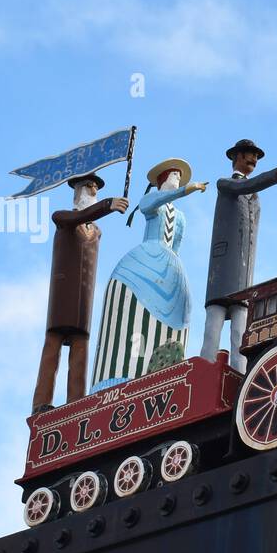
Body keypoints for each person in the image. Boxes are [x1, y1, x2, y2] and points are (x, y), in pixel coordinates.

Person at [90, 158, 208, 391]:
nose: (176, 179)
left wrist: (173, 270)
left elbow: (176, 244)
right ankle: (119, 380)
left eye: (179, 177)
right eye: (173, 175)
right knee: (132, 329)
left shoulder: (181, 217)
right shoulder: (151, 201)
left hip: (169, 267)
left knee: (170, 329)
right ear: (162, 179)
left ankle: (163, 380)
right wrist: (186, 190)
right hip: (141, 263)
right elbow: (148, 205)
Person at [31, 174, 128, 414]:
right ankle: (41, 403)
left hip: (83, 300)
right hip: (63, 296)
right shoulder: (63, 217)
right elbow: (79, 216)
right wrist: (107, 205)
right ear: (77, 192)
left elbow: (87, 219)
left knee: (80, 352)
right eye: (88, 188)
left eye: (95, 189)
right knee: (52, 349)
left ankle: (76, 403)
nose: (93, 192)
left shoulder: (95, 231)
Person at [200, 139, 277, 371]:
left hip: (244, 274)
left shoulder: (255, 197)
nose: (253, 159)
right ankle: (204, 373)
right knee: (213, 330)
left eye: (256, 156)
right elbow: (244, 187)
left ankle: (238, 376)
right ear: (236, 157)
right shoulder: (225, 184)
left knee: (239, 334)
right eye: (248, 155)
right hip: (221, 272)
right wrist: (274, 176)